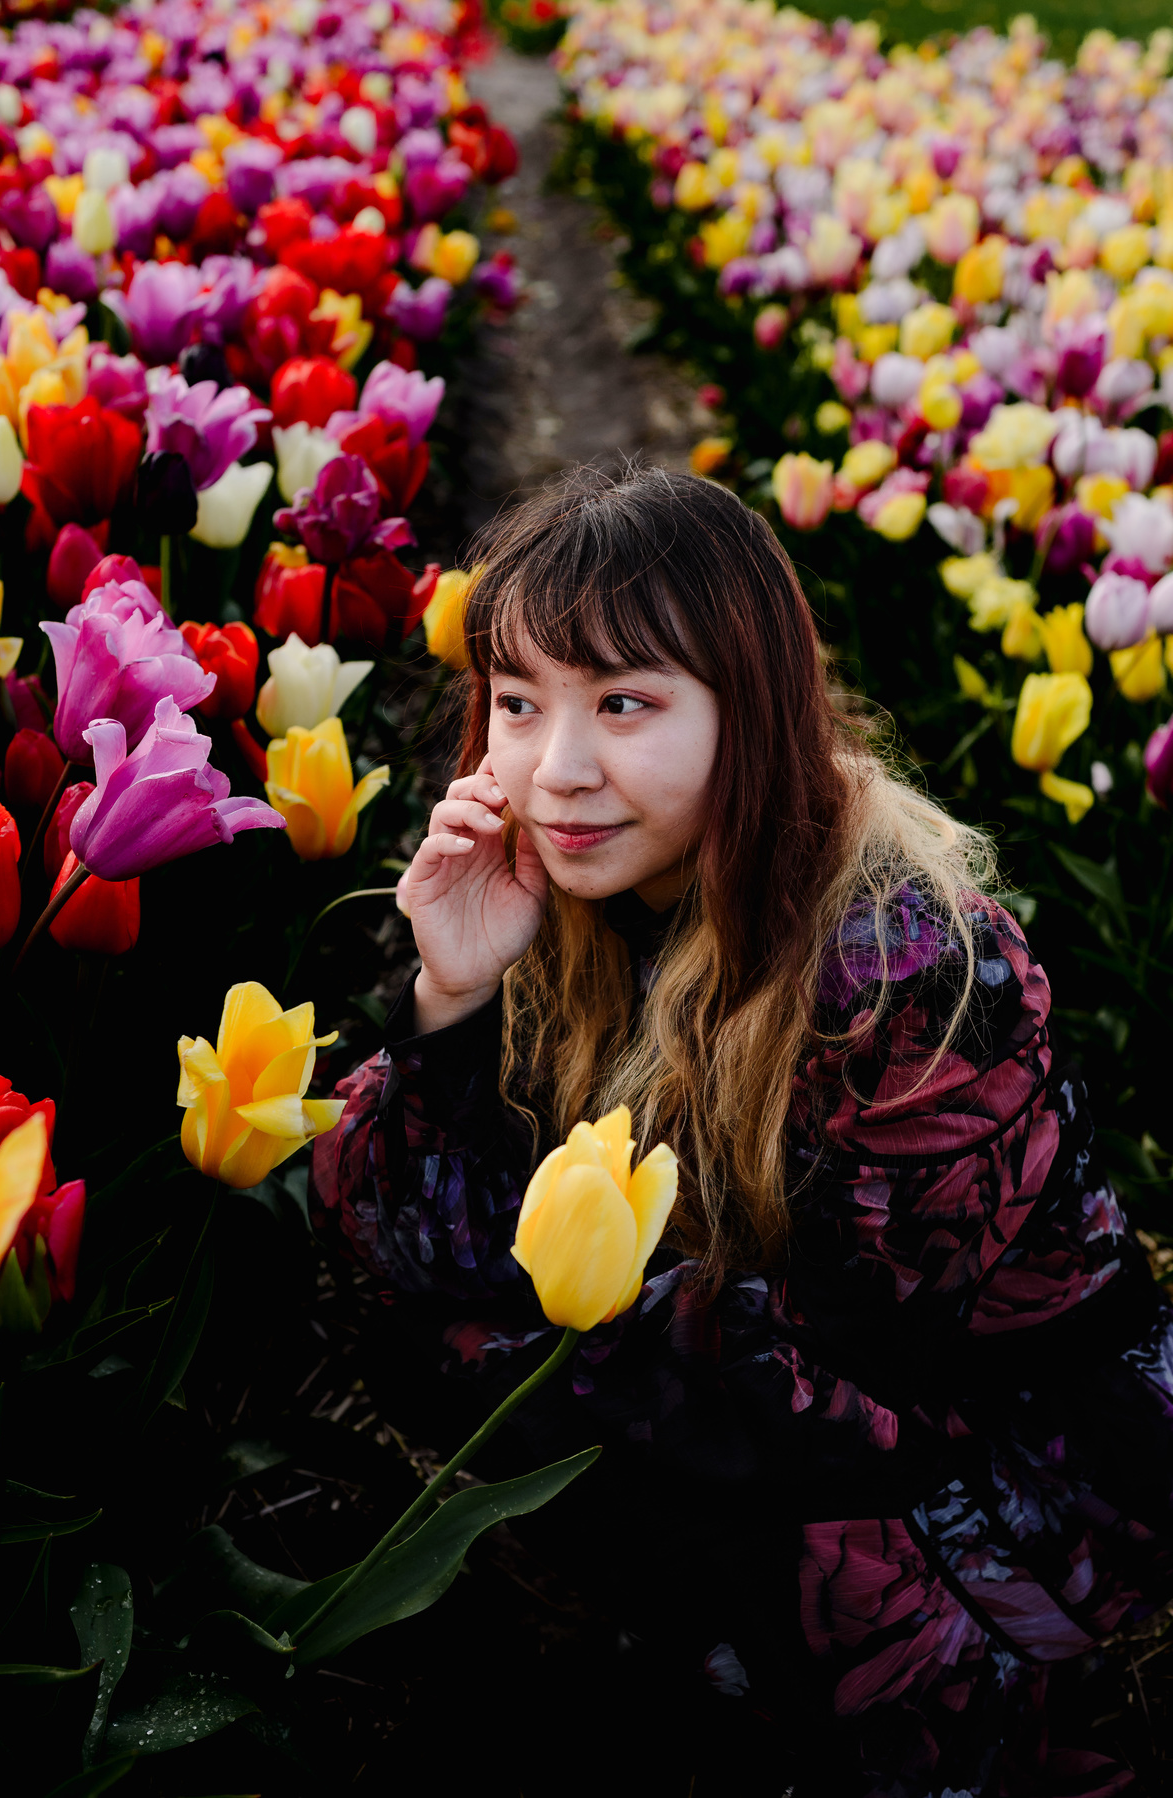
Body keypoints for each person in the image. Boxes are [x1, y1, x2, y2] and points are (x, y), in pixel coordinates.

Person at [313, 465, 1173, 1796]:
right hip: (750, 1431)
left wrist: (529, 1314)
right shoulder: (564, 902)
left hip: (995, 1485)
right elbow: (394, 1241)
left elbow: (845, 1401)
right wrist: (453, 996)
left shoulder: (912, 972)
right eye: (520, 705)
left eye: (626, 703)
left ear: (752, 707)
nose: (560, 768)